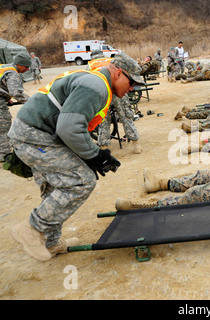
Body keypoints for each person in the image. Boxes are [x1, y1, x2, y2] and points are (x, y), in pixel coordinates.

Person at [8, 53, 144, 261]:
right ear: (118, 73)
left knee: (56, 185)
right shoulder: (96, 87)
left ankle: (51, 243)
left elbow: (71, 124)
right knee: (82, 180)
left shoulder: (97, 83)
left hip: (38, 133)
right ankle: (32, 229)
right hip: (34, 136)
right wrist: (95, 155)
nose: (132, 89)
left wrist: (95, 154)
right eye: (131, 82)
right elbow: (69, 128)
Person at [88, 50, 142, 154]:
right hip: (119, 91)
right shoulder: (111, 61)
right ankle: (136, 144)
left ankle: (104, 146)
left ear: (92, 56)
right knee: (126, 116)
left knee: (103, 120)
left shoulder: (91, 64)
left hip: (103, 92)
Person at [0, 52, 31, 162]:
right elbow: (16, 93)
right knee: (4, 127)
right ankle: (4, 156)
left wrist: (6, 97)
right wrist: (31, 101)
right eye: (26, 66)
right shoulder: (12, 73)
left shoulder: (4, 67)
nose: (27, 69)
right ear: (19, 64)